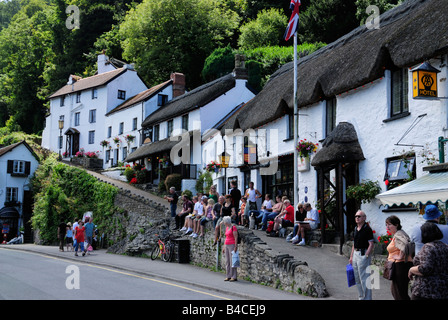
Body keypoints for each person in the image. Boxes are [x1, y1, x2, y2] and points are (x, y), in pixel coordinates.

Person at [408, 222, 448, 300]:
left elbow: (425, 269)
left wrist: (411, 269)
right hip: (443, 290)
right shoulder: (445, 246)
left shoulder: (428, 247)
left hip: (426, 290)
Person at [385, 215, 414, 300]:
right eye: (386, 225)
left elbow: (405, 244)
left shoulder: (399, 234)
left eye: (389, 224)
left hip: (400, 266)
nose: (387, 227)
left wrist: (399, 256)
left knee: (400, 293)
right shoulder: (399, 234)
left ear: (396, 224)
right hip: (400, 266)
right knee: (397, 291)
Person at [349, 210, 375, 300]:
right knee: (357, 278)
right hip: (356, 254)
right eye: (356, 216)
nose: (357, 218)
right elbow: (354, 243)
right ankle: (361, 297)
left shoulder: (367, 229)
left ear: (364, 218)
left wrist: (366, 256)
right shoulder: (355, 229)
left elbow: (371, 244)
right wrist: (351, 256)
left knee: (364, 278)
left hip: (363, 254)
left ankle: (367, 298)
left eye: (359, 216)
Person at [222, 216, 238, 281]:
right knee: (227, 261)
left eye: (224, 222)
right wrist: (224, 246)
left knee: (232, 261)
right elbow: (226, 237)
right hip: (227, 245)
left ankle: (233, 276)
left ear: (227, 222)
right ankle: (228, 275)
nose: (224, 223)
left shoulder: (233, 228)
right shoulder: (227, 228)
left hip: (232, 245)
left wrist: (235, 246)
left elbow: (236, 237)